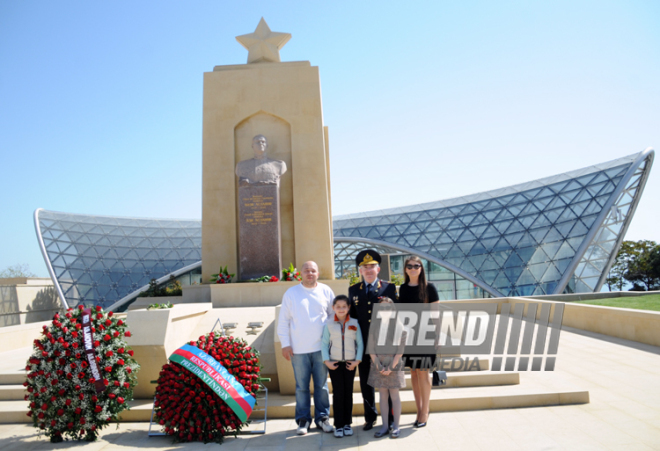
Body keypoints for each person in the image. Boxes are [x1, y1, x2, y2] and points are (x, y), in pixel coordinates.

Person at [277, 261, 335, 435]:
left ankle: (322, 418)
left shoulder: (326, 291)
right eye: (307, 270)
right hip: (298, 350)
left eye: (313, 271)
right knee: (302, 387)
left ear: (318, 273)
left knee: (322, 386)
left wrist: (333, 344)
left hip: (321, 349)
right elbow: (283, 321)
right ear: (301, 274)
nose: (310, 273)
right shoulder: (291, 293)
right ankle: (303, 421)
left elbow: (333, 317)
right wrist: (285, 344)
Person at [348, 249, 397, 431]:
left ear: (378, 269)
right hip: (363, 343)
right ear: (360, 271)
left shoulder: (388, 288)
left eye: (372, 266)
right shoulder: (353, 290)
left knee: (388, 380)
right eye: (365, 267)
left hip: (384, 345)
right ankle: (370, 416)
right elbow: (352, 318)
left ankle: (390, 417)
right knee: (366, 382)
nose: (368, 270)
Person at [398, 256, 440, 428]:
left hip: (425, 334)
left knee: (423, 372)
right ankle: (419, 409)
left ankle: (425, 411)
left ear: (421, 268)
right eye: (410, 266)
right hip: (409, 336)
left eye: (417, 266)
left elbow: (435, 314)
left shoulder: (430, 288)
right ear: (406, 269)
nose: (413, 268)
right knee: (414, 373)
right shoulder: (403, 288)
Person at [321, 295, 364, 438]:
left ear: (349, 308)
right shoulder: (328, 324)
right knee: (338, 394)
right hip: (335, 364)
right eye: (338, 307)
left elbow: (360, 343)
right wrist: (326, 361)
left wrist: (357, 361)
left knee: (348, 393)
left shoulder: (354, 323)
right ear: (333, 308)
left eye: (344, 306)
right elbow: (324, 343)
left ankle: (347, 424)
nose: (341, 309)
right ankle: (338, 425)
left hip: (350, 364)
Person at [367, 297, 406, 439]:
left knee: (394, 395)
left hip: (394, 365)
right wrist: (379, 366)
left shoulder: (399, 326)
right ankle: (384, 426)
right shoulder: (374, 327)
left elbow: (400, 351)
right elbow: (371, 349)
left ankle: (396, 426)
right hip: (378, 365)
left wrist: (390, 367)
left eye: (387, 308)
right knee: (382, 395)